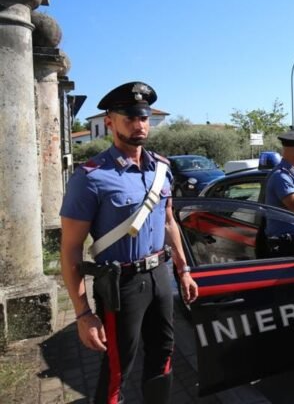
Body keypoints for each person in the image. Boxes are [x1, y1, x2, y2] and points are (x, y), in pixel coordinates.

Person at [59, 81, 198, 404]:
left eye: (144, 117)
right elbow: (70, 249)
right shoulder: (91, 177)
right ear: (109, 121)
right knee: (119, 367)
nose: (139, 125)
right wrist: (83, 314)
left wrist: (184, 269)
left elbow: (168, 222)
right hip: (120, 285)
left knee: (163, 352)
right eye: (130, 117)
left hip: (160, 276)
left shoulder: (161, 168)